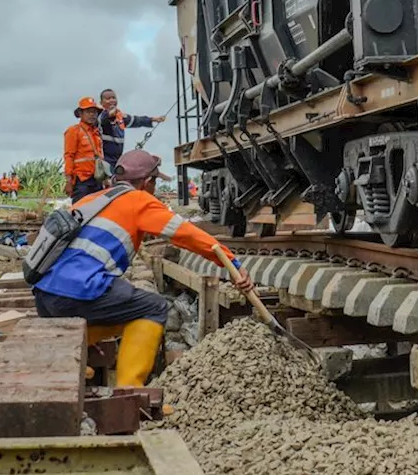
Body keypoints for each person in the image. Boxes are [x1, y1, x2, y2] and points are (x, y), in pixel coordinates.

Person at [32, 149, 255, 386]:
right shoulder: (140, 200)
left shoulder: (92, 200)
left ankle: (76, 347)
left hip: (45, 296)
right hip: (78, 292)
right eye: (155, 182)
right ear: (148, 182)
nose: (155, 189)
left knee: (126, 314)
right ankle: (130, 392)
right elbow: (187, 234)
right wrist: (233, 263)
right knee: (153, 307)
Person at [98, 89, 165, 172]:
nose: (111, 100)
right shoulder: (100, 116)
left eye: (113, 98)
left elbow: (137, 120)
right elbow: (105, 119)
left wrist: (153, 119)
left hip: (117, 160)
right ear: (101, 103)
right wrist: (111, 114)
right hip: (104, 160)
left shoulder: (120, 117)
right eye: (108, 99)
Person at [64, 96, 106, 203]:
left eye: (94, 112)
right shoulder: (74, 131)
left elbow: (101, 157)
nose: (92, 114)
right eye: (88, 112)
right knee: (79, 212)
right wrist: (68, 181)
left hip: (97, 180)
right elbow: (69, 156)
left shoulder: (97, 133)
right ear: (80, 114)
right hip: (81, 180)